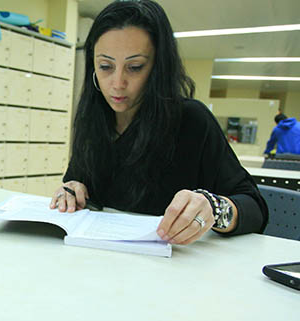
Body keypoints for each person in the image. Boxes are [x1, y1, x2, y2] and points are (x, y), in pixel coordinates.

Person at [49, 0, 267, 245]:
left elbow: (255, 208)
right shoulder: (94, 118)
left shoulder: (191, 120)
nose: (117, 83)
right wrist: (69, 190)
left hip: (171, 270)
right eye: (105, 66)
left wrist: (213, 207)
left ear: (157, 68)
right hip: (97, 261)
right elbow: (75, 184)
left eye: (135, 67)